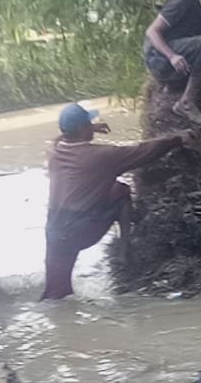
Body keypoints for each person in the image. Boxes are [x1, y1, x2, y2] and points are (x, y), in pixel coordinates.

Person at [43, 103, 190, 300]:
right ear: (81, 128)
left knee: (55, 293)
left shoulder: (53, 150)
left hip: (55, 231)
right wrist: (177, 139)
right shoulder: (101, 156)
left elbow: (62, 136)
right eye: (89, 123)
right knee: (120, 191)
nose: (92, 125)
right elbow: (144, 151)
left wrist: (89, 129)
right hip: (81, 229)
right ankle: (125, 247)